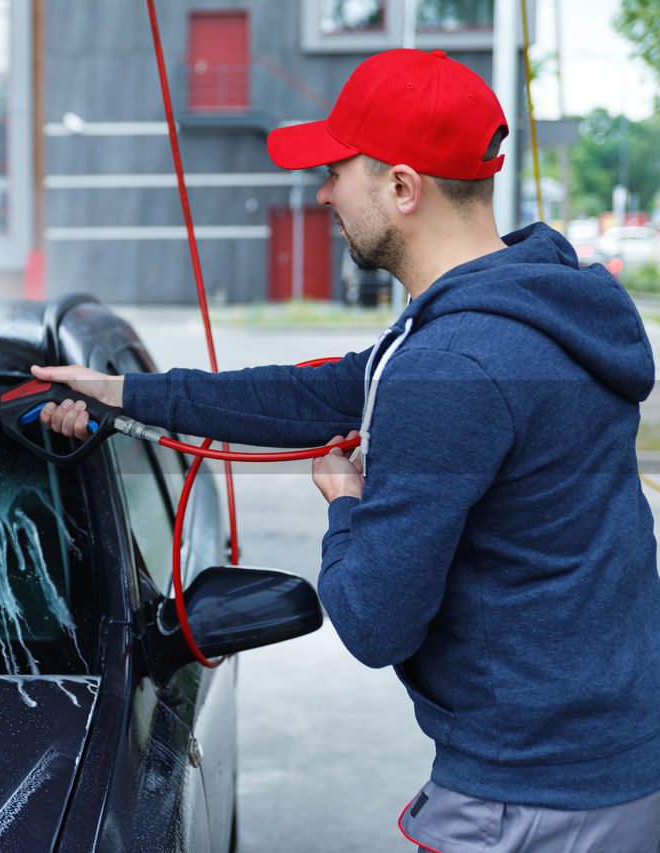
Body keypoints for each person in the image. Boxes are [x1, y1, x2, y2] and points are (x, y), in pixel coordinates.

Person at [33, 49, 660, 851]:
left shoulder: (454, 364)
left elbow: (372, 620)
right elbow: (319, 392)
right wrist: (126, 393)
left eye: (338, 170)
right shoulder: (536, 306)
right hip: (612, 759)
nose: (323, 191)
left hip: (534, 796)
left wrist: (346, 503)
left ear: (402, 188)